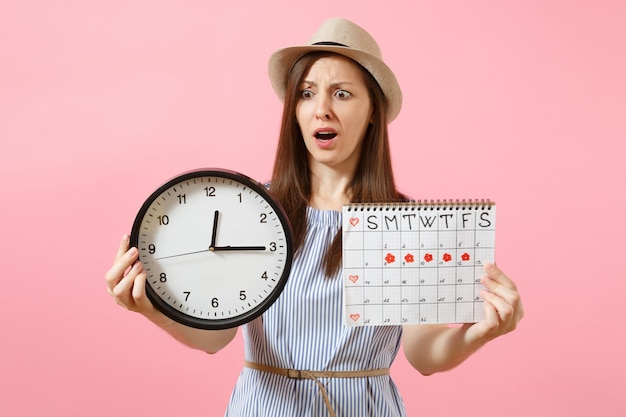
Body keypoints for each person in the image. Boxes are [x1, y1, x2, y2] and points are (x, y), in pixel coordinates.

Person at [105, 18, 524, 417]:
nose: (321, 109)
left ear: (373, 110)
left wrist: (478, 332)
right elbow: (217, 336)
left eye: (341, 93)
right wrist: (151, 309)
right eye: (306, 93)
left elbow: (424, 352)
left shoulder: (403, 223)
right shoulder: (251, 209)